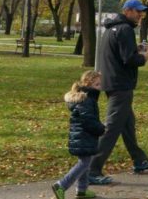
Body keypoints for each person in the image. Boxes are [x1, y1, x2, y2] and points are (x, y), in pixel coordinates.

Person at [88, 0, 148, 185]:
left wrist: (135, 50)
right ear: (127, 11)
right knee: (112, 128)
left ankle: (139, 159)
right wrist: (143, 57)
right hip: (121, 85)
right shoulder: (125, 29)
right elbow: (128, 59)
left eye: (142, 11)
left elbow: (118, 55)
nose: (141, 14)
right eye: (138, 11)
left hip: (111, 83)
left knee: (127, 124)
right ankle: (92, 169)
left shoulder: (111, 28)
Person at [52, 70, 105, 199]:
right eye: (97, 85)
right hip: (83, 136)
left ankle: (82, 190)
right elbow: (88, 121)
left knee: (85, 162)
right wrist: (101, 128)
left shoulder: (87, 98)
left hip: (83, 136)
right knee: (84, 163)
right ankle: (61, 185)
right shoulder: (87, 100)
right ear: (88, 84)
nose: (100, 88)